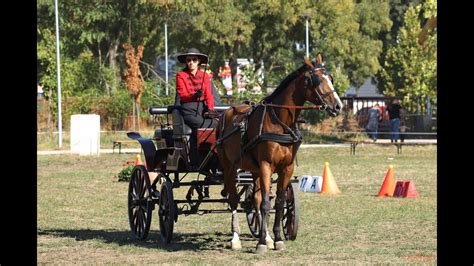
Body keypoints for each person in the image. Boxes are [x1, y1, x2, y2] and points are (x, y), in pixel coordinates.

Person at [176, 48, 217, 167]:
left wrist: (210, 110)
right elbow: (182, 95)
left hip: (203, 108)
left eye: (194, 60)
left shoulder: (205, 76)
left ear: (198, 61)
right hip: (188, 109)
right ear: (186, 62)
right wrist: (193, 95)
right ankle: (197, 158)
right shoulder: (181, 75)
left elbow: (209, 95)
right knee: (201, 125)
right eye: (189, 60)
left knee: (215, 124)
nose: (191, 62)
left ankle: (214, 157)